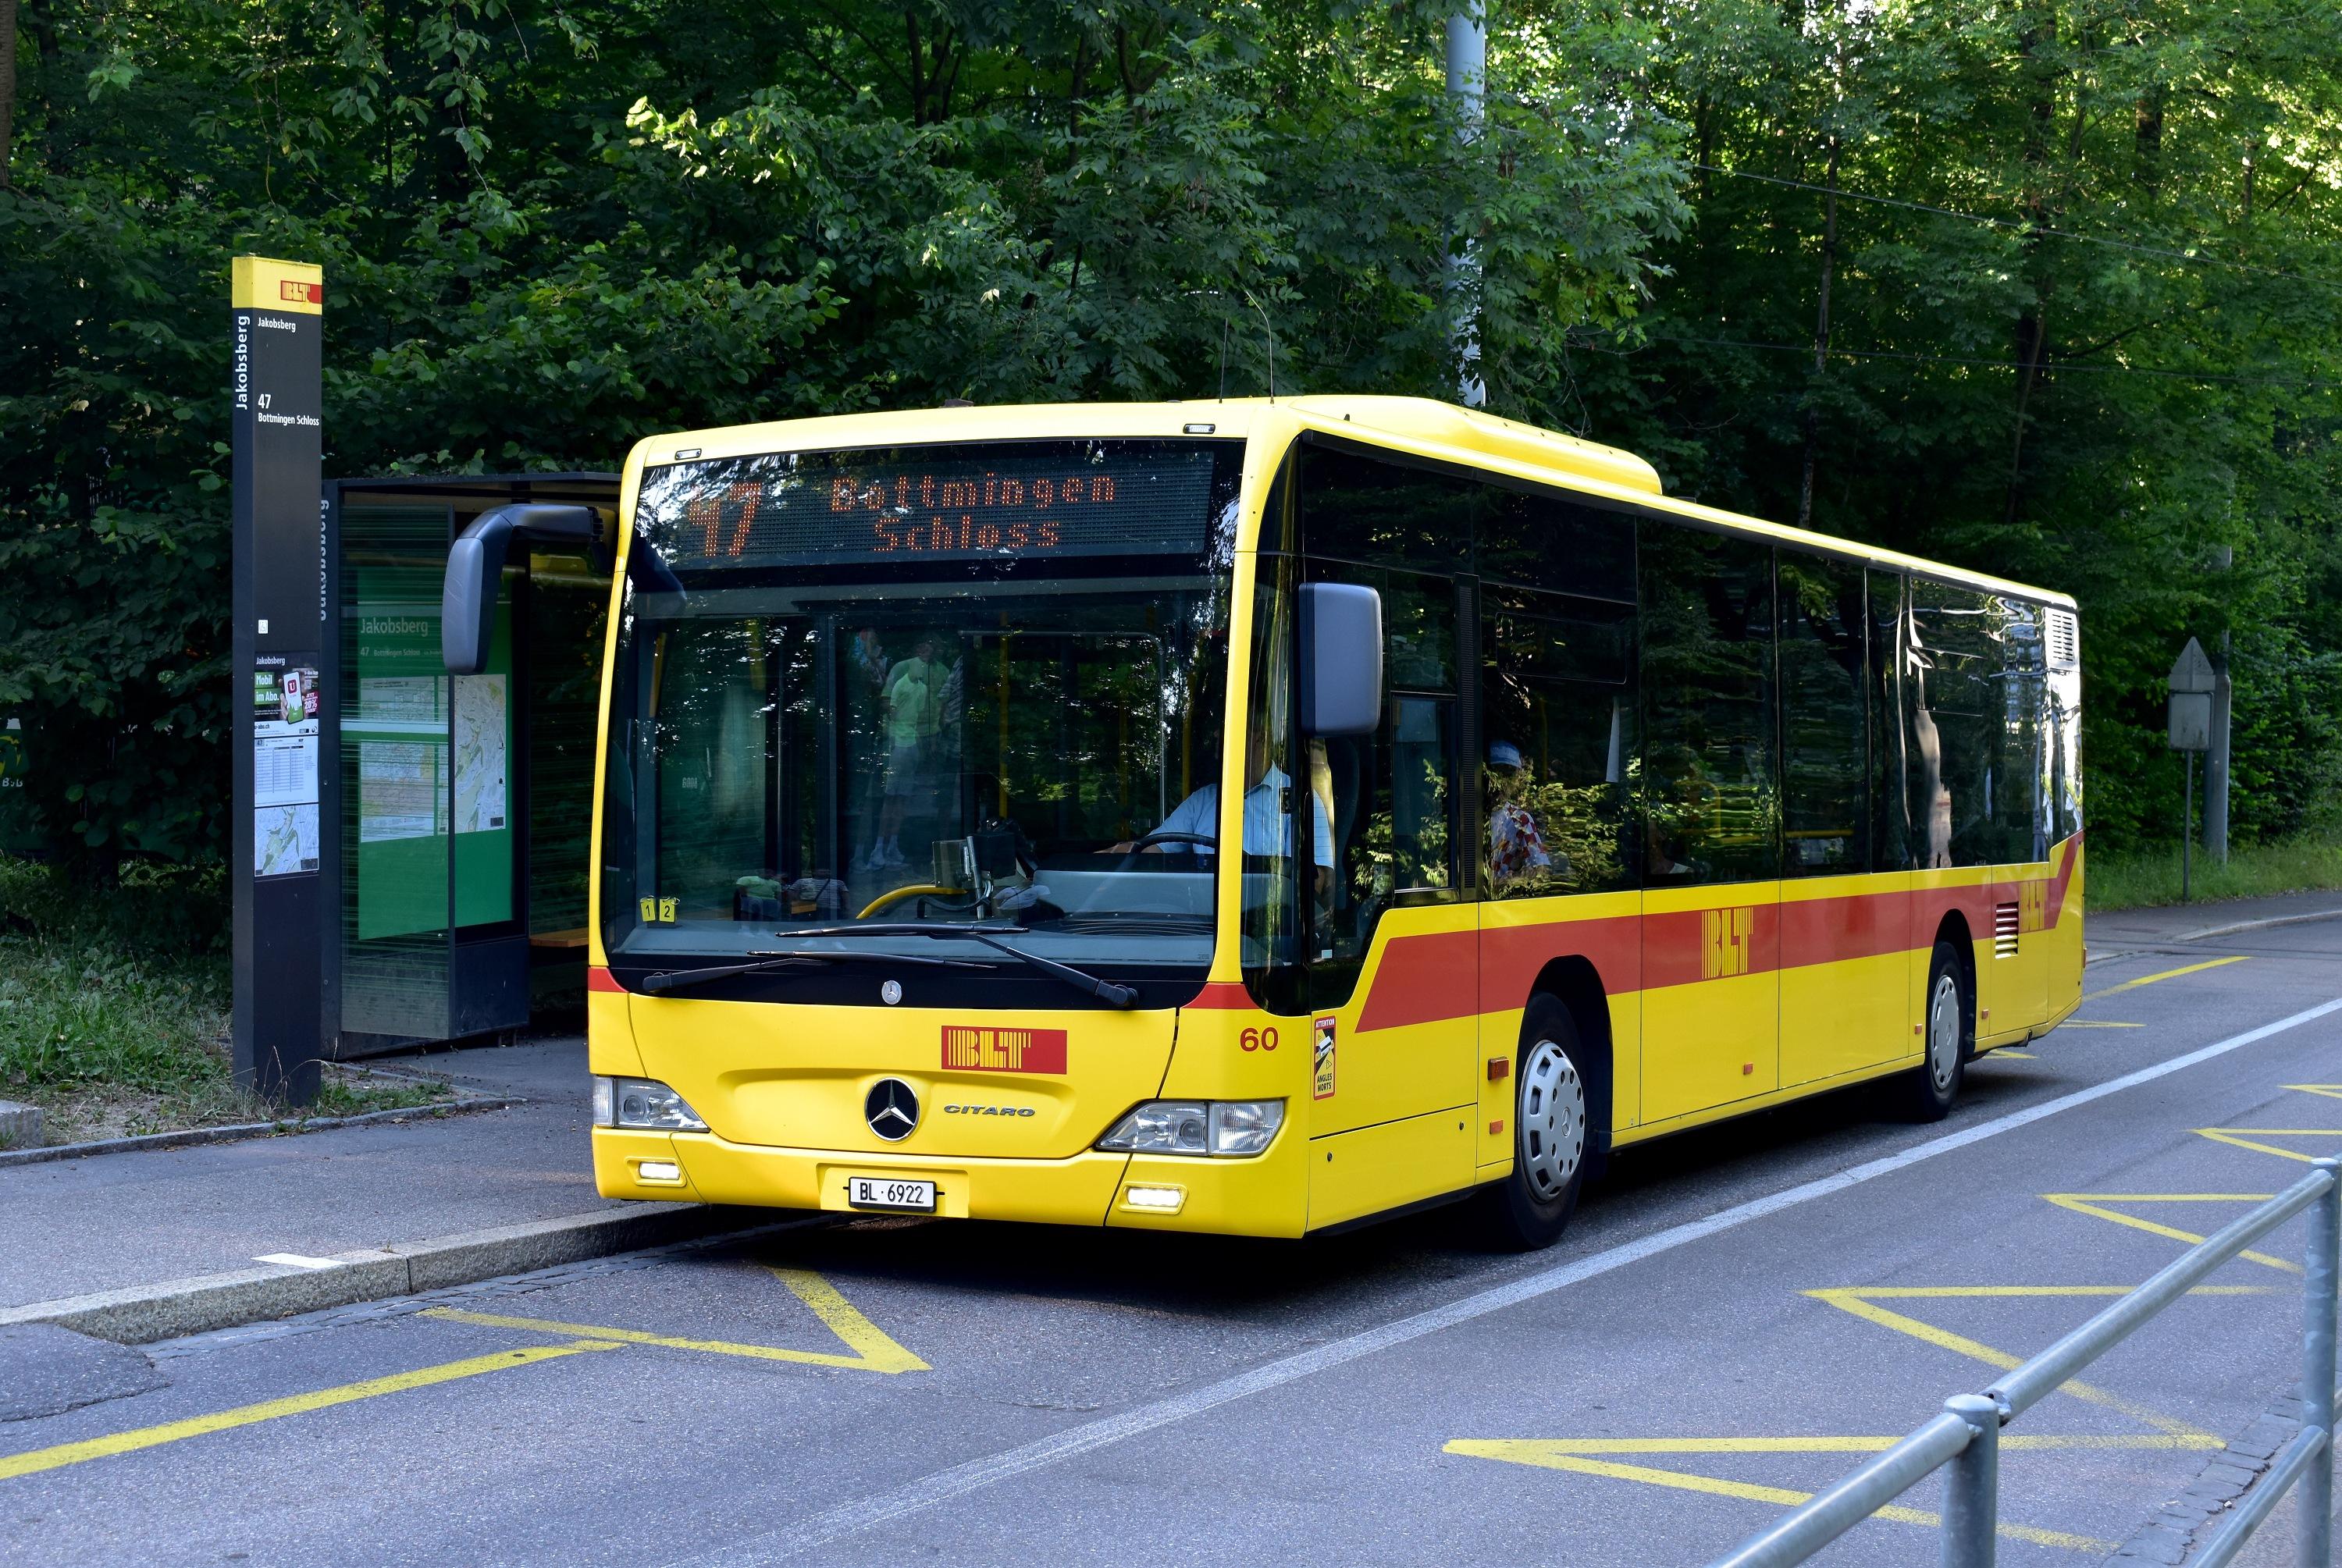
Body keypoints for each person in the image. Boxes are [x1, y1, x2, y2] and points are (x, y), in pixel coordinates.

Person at [1112, 728, 1333, 894]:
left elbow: (1319, 882)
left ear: (1261, 738)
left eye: (1229, 722)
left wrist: (1254, 871)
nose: (1217, 733)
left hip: (1269, 929)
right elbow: (1149, 850)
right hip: (1204, 925)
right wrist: (1096, 861)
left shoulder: (1300, 798)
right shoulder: (1203, 800)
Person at [1486, 740, 1557, 894]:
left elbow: (1541, 870)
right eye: (1496, 773)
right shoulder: (1466, 816)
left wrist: (1511, 881)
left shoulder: (1520, 820)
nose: (1501, 782)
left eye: (1509, 774)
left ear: (1517, 779)